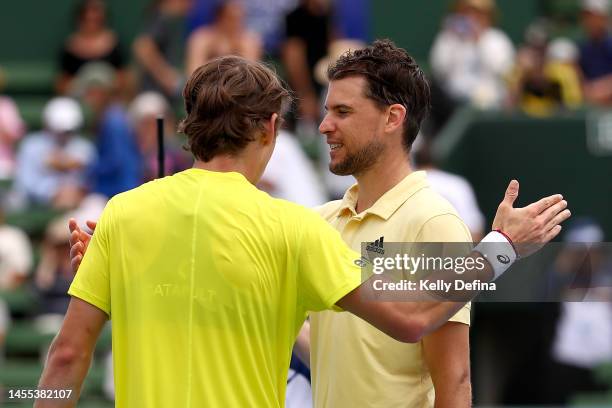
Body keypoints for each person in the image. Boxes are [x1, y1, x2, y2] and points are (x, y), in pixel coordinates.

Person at [40, 55, 569, 407]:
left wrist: (128, 266)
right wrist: (501, 249)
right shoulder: (302, 225)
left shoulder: (123, 214)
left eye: (342, 111)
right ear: (269, 128)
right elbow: (405, 320)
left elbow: (65, 359)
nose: (323, 126)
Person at [430, 0, 515, 108]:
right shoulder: (448, 38)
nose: (471, 18)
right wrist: (453, 40)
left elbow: (503, 72)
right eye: (466, 12)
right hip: (451, 103)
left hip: (490, 103)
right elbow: (439, 71)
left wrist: (480, 41)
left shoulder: (497, 39)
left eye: (477, 13)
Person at [56, 0, 128, 96]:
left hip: (109, 99)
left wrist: (107, 90)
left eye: (96, 20)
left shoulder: (115, 43)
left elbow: (124, 79)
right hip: (79, 98)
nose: (91, 24)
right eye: (87, 19)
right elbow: (62, 83)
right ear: (79, 20)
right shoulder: (69, 47)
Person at [185, 1, 262, 76]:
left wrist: (236, 48)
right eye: (231, 18)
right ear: (219, 18)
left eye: (240, 18)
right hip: (208, 85)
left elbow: (251, 75)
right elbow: (194, 72)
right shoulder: (201, 37)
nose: (236, 23)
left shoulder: (249, 40)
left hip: (238, 85)